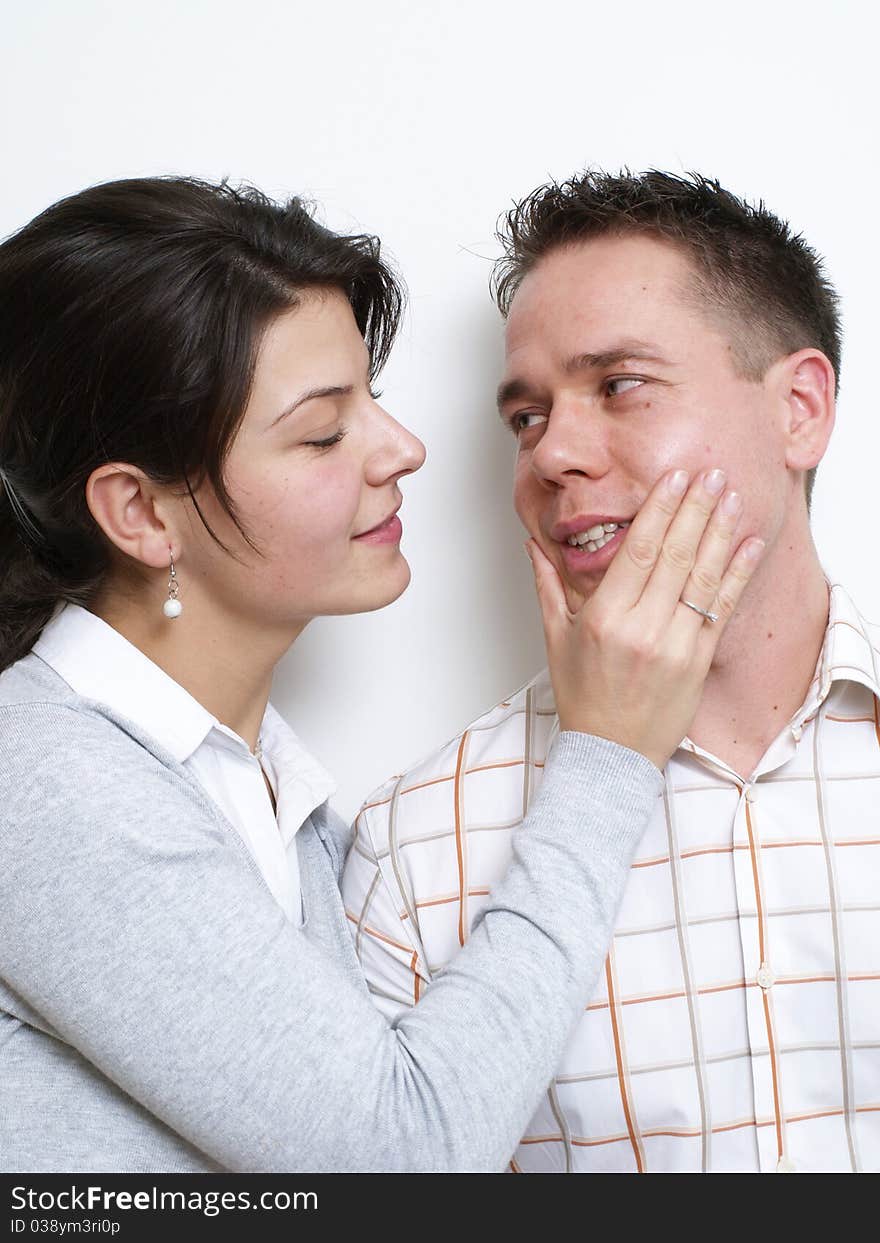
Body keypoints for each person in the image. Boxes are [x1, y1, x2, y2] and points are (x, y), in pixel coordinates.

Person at [0, 176, 759, 1173]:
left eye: (375, 399)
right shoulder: (41, 780)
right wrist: (610, 754)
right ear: (140, 514)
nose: (403, 450)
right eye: (323, 431)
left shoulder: (282, 804)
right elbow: (402, 1161)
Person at [341, 170, 880, 1174]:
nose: (552, 456)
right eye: (527, 417)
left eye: (619, 384)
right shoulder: (414, 847)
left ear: (800, 410)